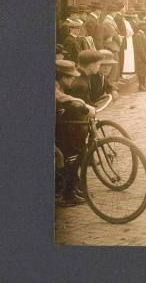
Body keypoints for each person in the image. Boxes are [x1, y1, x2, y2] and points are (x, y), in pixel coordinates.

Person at [55, 59, 95, 207]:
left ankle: (70, 189)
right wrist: (82, 103)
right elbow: (60, 98)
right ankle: (64, 195)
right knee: (61, 156)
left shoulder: (61, 86)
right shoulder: (55, 87)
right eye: (71, 76)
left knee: (69, 153)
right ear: (63, 77)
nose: (74, 78)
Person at [133, 21, 146, 91]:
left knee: (144, 71)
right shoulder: (139, 35)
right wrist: (145, 58)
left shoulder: (143, 34)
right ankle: (141, 85)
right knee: (141, 71)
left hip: (144, 57)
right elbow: (140, 48)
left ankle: (143, 84)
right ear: (141, 26)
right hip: (140, 57)